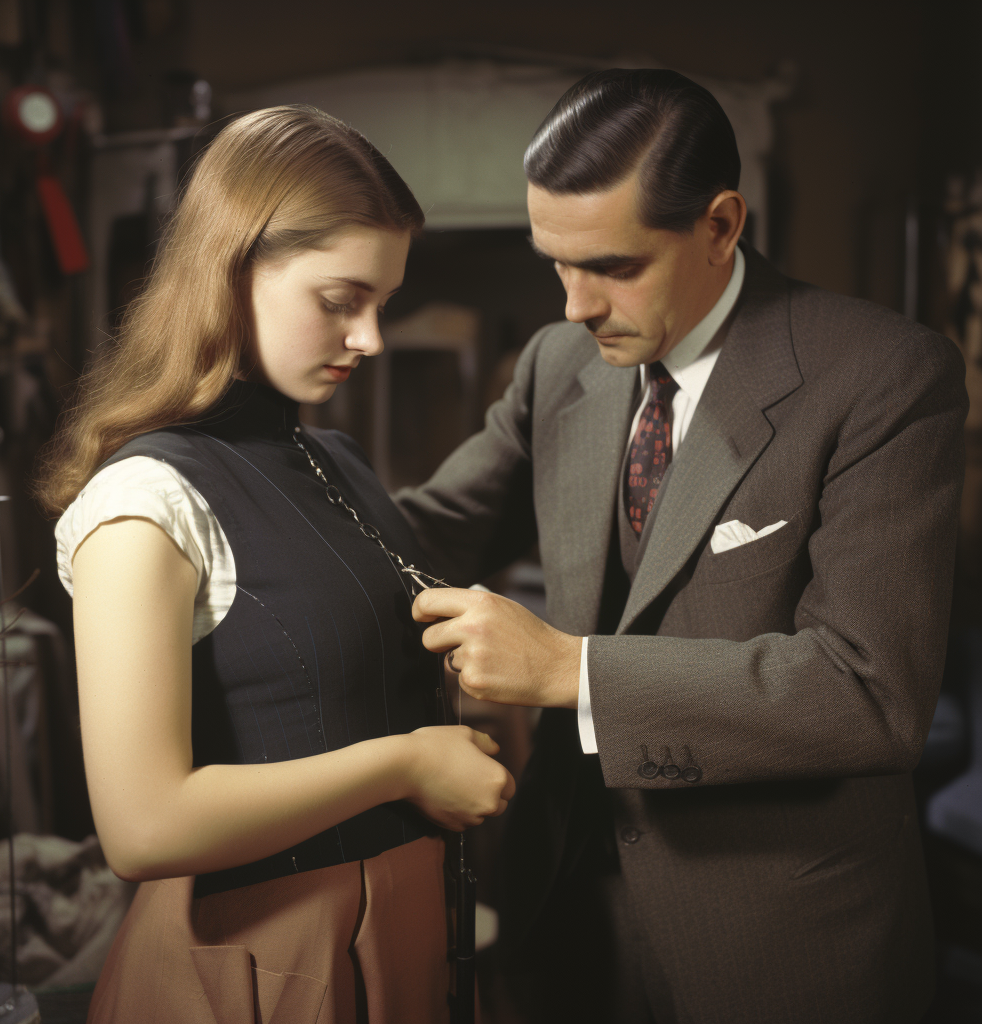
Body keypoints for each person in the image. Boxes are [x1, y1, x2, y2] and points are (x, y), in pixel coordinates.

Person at [396, 69, 968, 1024]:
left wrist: (574, 672)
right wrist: (205, 509)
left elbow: (870, 692)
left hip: (782, 943)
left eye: (612, 267)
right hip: (563, 913)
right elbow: (424, 526)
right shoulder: (555, 363)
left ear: (720, 225)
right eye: (555, 263)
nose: (575, 305)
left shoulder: (887, 376)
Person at [36, 105, 514, 1024]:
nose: (370, 339)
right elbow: (141, 826)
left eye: (383, 305)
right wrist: (407, 766)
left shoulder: (339, 463)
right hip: (261, 964)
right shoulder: (142, 503)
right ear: (230, 270)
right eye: (341, 302)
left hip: (407, 941)